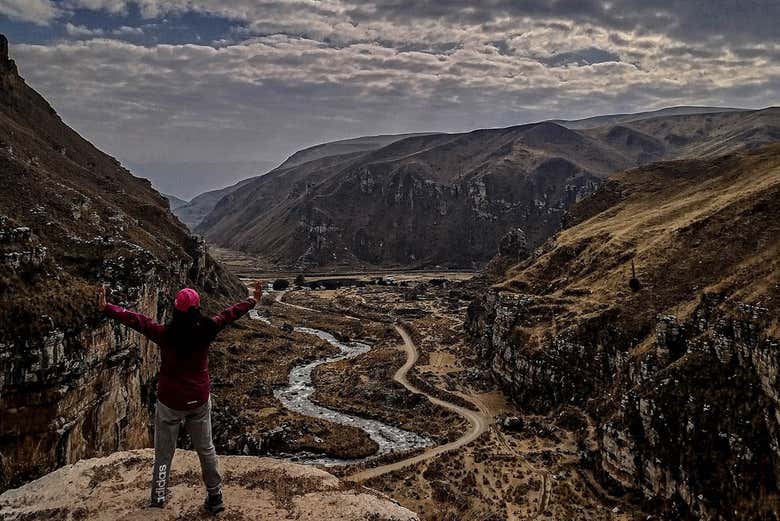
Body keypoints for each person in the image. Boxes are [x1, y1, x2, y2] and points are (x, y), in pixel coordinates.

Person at [98, 281, 263, 515]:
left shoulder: (165, 334)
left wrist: (108, 307)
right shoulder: (208, 328)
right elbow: (229, 314)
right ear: (198, 308)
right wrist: (252, 300)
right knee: (206, 449)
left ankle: (158, 497)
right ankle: (215, 496)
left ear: (176, 309)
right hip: (198, 399)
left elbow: (136, 320)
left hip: (170, 401)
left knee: (164, 453)